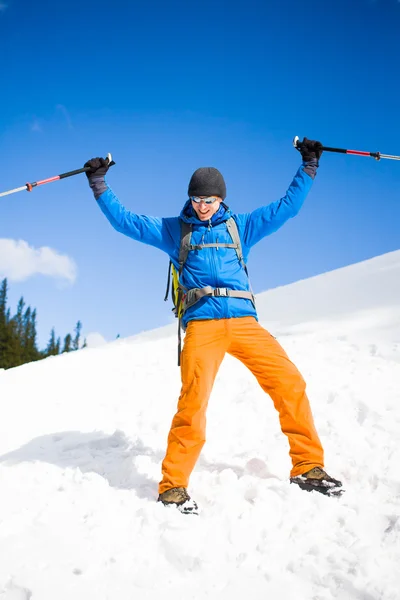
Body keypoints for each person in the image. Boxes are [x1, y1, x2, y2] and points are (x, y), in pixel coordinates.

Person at [84, 138, 342, 515]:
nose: (202, 207)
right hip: (203, 326)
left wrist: (309, 166)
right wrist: (99, 185)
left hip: (244, 323)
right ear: (189, 199)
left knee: (290, 383)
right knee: (193, 403)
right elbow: (126, 222)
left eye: (209, 200)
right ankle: (173, 486)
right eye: (197, 200)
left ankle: (308, 467)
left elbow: (288, 207)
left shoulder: (242, 227)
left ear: (221, 200)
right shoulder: (175, 231)